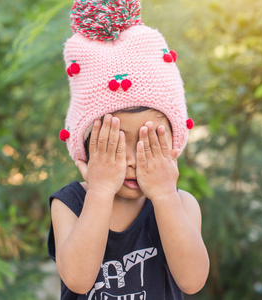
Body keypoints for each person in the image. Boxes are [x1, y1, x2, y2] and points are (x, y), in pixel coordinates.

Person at [47, 0, 210, 299]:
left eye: (149, 143)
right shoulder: (70, 203)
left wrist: (163, 196)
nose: (133, 160)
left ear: (173, 144)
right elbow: (78, 280)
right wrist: (99, 191)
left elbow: (192, 281)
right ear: (86, 148)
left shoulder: (181, 205)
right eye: (116, 146)